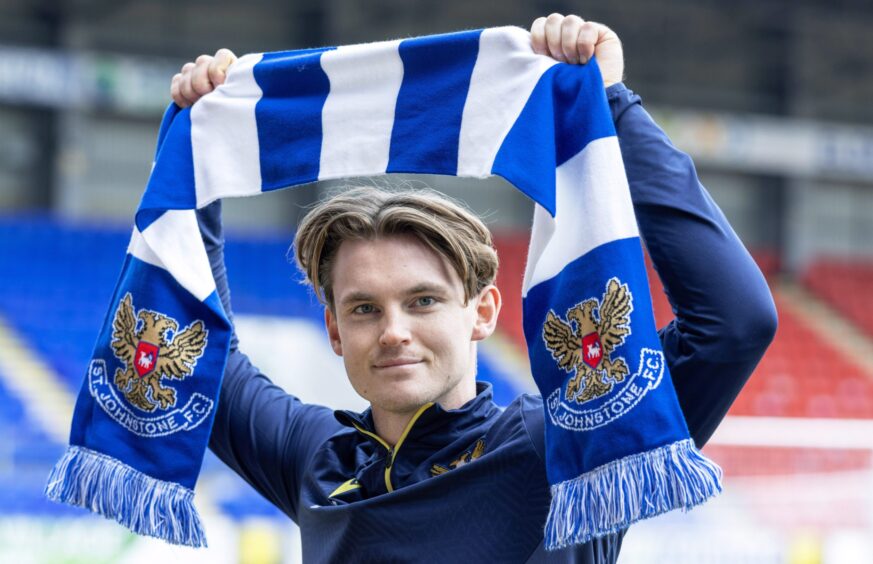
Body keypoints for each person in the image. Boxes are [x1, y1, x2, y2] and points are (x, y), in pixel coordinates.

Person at [173, 14, 777, 563]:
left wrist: (612, 108)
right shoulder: (315, 459)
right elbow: (201, 357)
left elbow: (734, 323)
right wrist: (194, 168)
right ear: (335, 329)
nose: (393, 331)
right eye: (364, 308)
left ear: (482, 311)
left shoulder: (570, 441)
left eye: (423, 300)